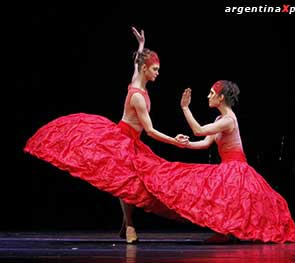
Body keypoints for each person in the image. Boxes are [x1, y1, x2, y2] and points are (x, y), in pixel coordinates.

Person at [24, 27, 188, 244]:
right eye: (155, 69)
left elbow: (135, 65)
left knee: (135, 184)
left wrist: (141, 45)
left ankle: (125, 223)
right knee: (124, 181)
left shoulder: (137, 80)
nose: (158, 72)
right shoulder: (138, 96)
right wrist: (174, 142)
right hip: (120, 140)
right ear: (146, 69)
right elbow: (149, 130)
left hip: (132, 141)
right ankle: (129, 225)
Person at [131, 80, 295, 243]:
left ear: (221, 98)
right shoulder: (220, 120)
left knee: (228, 197)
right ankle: (227, 232)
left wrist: (185, 108)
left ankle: (230, 232)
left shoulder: (228, 120)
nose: (208, 96)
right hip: (228, 166)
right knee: (219, 196)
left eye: (211, 93)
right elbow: (205, 142)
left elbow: (198, 131)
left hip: (237, 168)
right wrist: (184, 144)